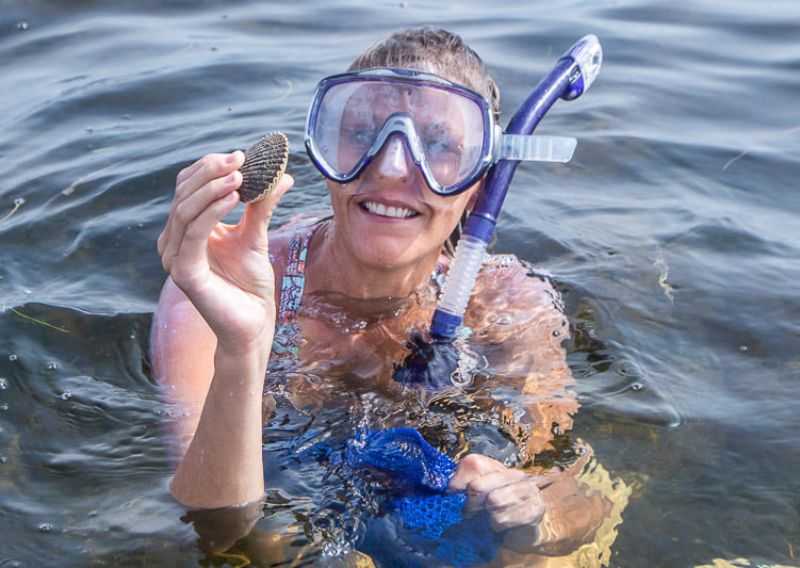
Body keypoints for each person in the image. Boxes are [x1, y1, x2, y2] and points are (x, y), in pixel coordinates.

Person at [152, 26, 619, 563]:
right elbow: (215, 528)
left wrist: (532, 515)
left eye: (439, 144)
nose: (392, 168)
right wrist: (242, 349)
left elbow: (576, 493)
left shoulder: (506, 302)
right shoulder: (224, 281)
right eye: (361, 133)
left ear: (482, 183)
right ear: (324, 149)